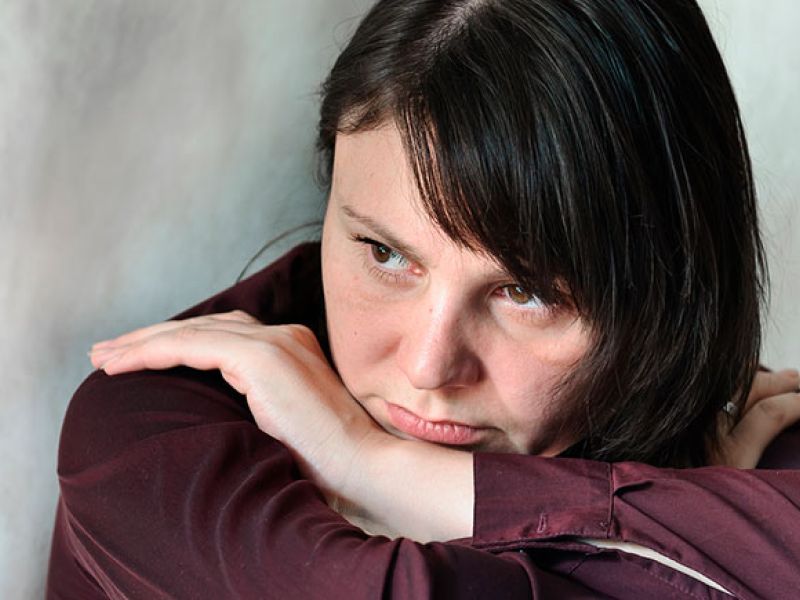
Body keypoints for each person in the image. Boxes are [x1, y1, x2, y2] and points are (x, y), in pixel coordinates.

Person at [47, 0, 800, 598]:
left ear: (665, 298)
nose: (430, 364)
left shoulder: (749, 425)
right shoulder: (151, 436)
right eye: (385, 254)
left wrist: (370, 467)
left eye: (525, 293)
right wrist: (682, 526)